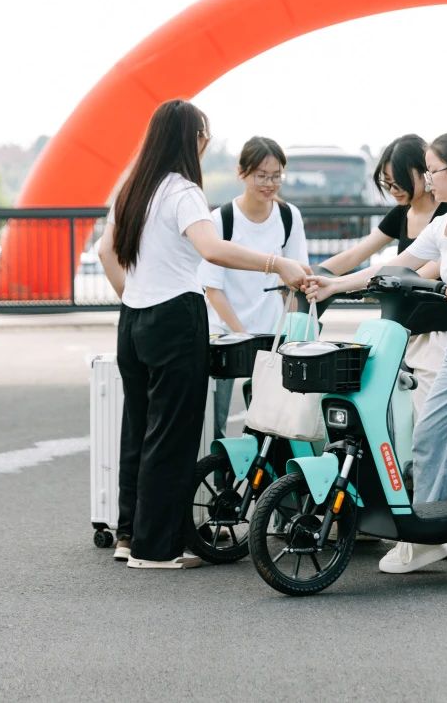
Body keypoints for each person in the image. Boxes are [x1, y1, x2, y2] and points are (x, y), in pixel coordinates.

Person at [306, 132, 447, 593]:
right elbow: (394, 267)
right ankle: (430, 538)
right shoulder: (444, 224)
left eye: (433, 171)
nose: (428, 179)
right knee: (431, 431)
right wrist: (334, 285)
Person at [96, 99, 310, 570]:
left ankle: (130, 535)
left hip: (133, 320)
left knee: (139, 430)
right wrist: (277, 263)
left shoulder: (132, 188)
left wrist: (134, 295)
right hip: (175, 317)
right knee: (171, 436)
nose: (206, 142)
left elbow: (104, 251)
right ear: (189, 139)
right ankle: (156, 550)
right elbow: (211, 249)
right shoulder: (183, 191)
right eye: (203, 133)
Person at [318, 134, 447, 559]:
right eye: (386, 182)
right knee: (394, 424)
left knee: (432, 428)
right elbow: (361, 255)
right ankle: (408, 509)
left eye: (398, 180)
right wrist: (317, 276)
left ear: (425, 173)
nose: (393, 189)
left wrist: (362, 283)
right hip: (403, 334)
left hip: (440, 335)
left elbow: (421, 270)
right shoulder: (401, 215)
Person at [199, 136, 309, 439]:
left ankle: (261, 467)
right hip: (224, 333)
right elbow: (212, 288)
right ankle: (219, 466)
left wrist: (293, 331)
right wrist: (241, 336)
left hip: (271, 334)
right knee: (215, 421)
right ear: (242, 173)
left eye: (276, 176)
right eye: (261, 175)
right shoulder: (221, 219)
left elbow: (294, 282)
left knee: (271, 421)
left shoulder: (288, 216)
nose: (269, 184)